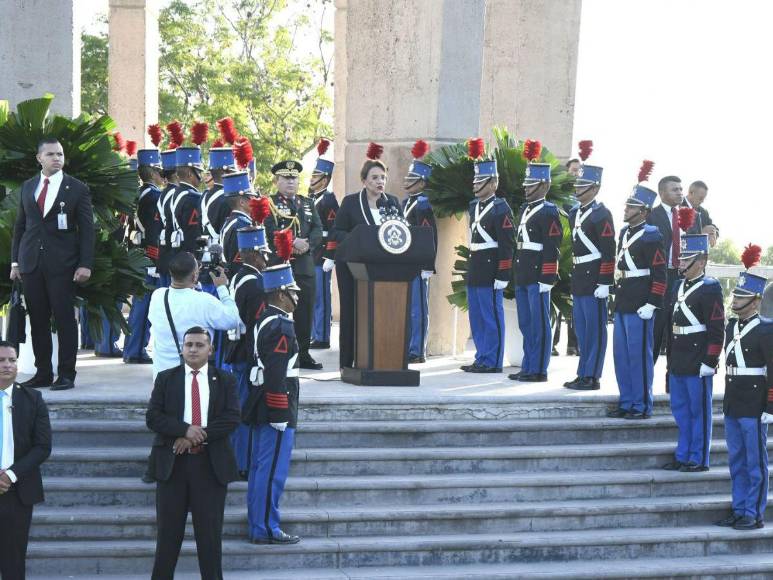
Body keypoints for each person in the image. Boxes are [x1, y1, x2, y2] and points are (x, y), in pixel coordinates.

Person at [146, 327, 240, 580]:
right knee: (167, 539)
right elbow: (153, 417)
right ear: (182, 348)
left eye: (200, 345)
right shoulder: (166, 379)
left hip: (209, 469)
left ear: (211, 349)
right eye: (189, 344)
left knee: (210, 540)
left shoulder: (225, 380)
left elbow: (231, 418)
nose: (193, 349)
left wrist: (199, 436)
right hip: (173, 467)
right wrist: (184, 430)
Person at [10, 137, 95, 391]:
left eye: (60, 154)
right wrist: (16, 262)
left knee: (65, 319)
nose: (57, 158)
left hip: (64, 265)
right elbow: (20, 227)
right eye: (50, 154)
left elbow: (87, 230)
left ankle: (67, 373)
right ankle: (43, 372)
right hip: (31, 263)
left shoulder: (76, 188)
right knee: (37, 320)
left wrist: (85, 264)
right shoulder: (28, 186)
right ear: (39, 158)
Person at [323, 143, 403, 371]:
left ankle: (379, 359)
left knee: (380, 313)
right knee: (352, 313)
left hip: (384, 269)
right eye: (375, 177)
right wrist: (360, 237)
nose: (380, 182)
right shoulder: (350, 203)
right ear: (364, 180)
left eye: (383, 178)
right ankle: (347, 363)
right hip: (352, 266)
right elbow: (337, 231)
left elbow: (402, 232)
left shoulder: (393, 203)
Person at [244, 261, 301, 545]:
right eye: (293, 292)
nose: (297, 298)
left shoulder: (266, 318)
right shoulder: (280, 326)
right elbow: (277, 371)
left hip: (262, 401)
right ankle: (267, 527)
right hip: (276, 405)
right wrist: (280, 411)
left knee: (260, 468)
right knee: (271, 470)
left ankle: (259, 523)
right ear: (280, 294)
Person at [714, 270, 773, 531]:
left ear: (756, 301)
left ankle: (753, 513)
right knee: (736, 460)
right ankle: (739, 508)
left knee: (754, 462)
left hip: (754, 402)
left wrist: (771, 406)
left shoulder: (766, 330)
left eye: (742, 297)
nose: (735, 301)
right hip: (734, 400)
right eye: (736, 295)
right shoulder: (731, 326)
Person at [661, 234, 724, 472]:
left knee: (699, 412)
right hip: (679, 358)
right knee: (681, 411)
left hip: (698, 359)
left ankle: (698, 458)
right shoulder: (677, 286)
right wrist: (669, 363)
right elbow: (670, 327)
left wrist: (711, 360)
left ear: (701, 261)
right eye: (681, 258)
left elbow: (717, 328)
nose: (681, 263)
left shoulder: (710, 288)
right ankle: (683, 454)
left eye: (686, 259)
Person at [608, 185, 667, 419]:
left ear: (643, 210)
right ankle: (626, 401)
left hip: (641, 302)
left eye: (631, 206)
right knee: (621, 356)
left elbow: (660, 273)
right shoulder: (624, 232)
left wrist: (652, 302)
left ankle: (641, 405)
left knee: (639, 357)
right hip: (623, 300)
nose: (626, 209)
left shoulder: (652, 235)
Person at [0, 340, 52, 580]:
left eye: (12, 360)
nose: (7, 365)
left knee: (14, 561)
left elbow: (42, 446)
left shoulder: (33, 398)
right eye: (1, 360)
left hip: (18, 490)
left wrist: (10, 475)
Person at [509, 151, 563, 382]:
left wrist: (547, 277)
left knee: (539, 324)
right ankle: (528, 365)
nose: (526, 188)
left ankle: (539, 369)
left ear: (544, 185)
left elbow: (553, 247)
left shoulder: (549, 211)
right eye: (526, 183)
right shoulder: (525, 209)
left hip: (539, 275)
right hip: (523, 272)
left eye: (531, 184)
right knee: (526, 323)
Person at [461, 140, 514, 374]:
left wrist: (503, 273)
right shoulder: (474, 206)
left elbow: (507, 244)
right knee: (477, 316)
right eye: (474, 180)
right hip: (476, 265)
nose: (475, 184)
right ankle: (482, 356)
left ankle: (493, 360)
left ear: (493, 183)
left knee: (491, 315)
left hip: (492, 267)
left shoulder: (501, 208)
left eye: (480, 180)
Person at [147, 251, 241, 378]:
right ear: (194, 276)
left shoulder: (158, 296)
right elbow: (233, 320)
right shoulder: (205, 301)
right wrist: (222, 288)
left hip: (161, 379)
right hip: (192, 382)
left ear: (171, 273)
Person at [563, 163, 615, 391]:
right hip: (579, 277)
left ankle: (592, 376)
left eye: (583, 185)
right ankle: (582, 372)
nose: (578, 189)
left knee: (595, 330)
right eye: (577, 184)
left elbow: (608, 250)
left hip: (594, 278)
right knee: (582, 329)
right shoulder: (575, 212)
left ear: (595, 188)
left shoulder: (602, 214)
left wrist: (604, 282)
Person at [268, 161, 324, 370]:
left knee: (305, 311)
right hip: (280, 266)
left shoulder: (308, 203)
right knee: (280, 310)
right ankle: (281, 351)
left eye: (294, 178)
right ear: (277, 181)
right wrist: (291, 243)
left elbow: (318, 229)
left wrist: (307, 244)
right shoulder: (270, 203)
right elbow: (269, 229)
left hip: (304, 266)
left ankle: (303, 352)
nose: (291, 182)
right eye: (286, 178)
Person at [226, 226, 269, 479]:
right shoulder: (255, 285)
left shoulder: (239, 276)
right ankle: (241, 462)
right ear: (252, 254)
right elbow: (257, 326)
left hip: (238, 349)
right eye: (263, 253)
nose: (267, 257)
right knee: (245, 409)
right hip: (247, 354)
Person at [124, 148, 165, 365]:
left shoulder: (139, 193)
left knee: (140, 303)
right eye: (159, 170)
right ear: (152, 172)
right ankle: (136, 349)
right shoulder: (154, 196)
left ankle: (134, 348)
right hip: (148, 256)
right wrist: (155, 260)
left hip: (136, 251)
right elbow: (153, 231)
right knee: (144, 304)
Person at [402, 140, 438, 364]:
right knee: (407, 308)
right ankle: (407, 346)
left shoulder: (424, 205)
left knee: (418, 309)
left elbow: (429, 237)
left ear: (421, 182)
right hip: (404, 263)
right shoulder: (406, 202)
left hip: (418, 264)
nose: (407, 182)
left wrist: (427, 266)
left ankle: (418, 349)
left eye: (412, 179)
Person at [647, 175, 684, 362]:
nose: (679, 192)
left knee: (677, 331)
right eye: (674, 189)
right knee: (656, 327)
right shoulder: (651, 215)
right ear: (662, 193)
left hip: (682, 278)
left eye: (680, 189)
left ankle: (673, 378)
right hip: (660, 277)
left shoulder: (690, 216)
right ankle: (647, 381)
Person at [309, 139, 339, 351]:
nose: (312, 179)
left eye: (316, 176)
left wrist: (331, 255)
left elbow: (334, 229)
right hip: (311, 255)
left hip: (322, 256)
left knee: (322, 298)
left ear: (325, 179)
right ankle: (314, 333)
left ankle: (322, 335)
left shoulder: (328, 200)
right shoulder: (312, 199)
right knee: (312, 298)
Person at [220, 171, 259, 269]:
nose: (254, 200)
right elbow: (244, 262)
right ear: (242, 202)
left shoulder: (231, 221)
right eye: (251, 197)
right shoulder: (243, 225)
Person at [201, 147, 236, 244]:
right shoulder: (229, 199)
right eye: (233, 172)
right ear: (225, 173)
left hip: (203, 252)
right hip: (220, 253)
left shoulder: (203, 196)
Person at [156, 148, 180, 287]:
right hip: (173, 250)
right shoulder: (175, 194)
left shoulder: (164, 193)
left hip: (165, 249)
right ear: (177, 173)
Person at [682, 180, 719, 246]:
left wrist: (713, 233)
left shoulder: (704, 212)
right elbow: (675, 234)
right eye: (701, 198)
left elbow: (714, 227)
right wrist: (700, 232)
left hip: (700, 255)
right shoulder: (676, 207)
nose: (703, 201)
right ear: (691, 193)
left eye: (704, 198)